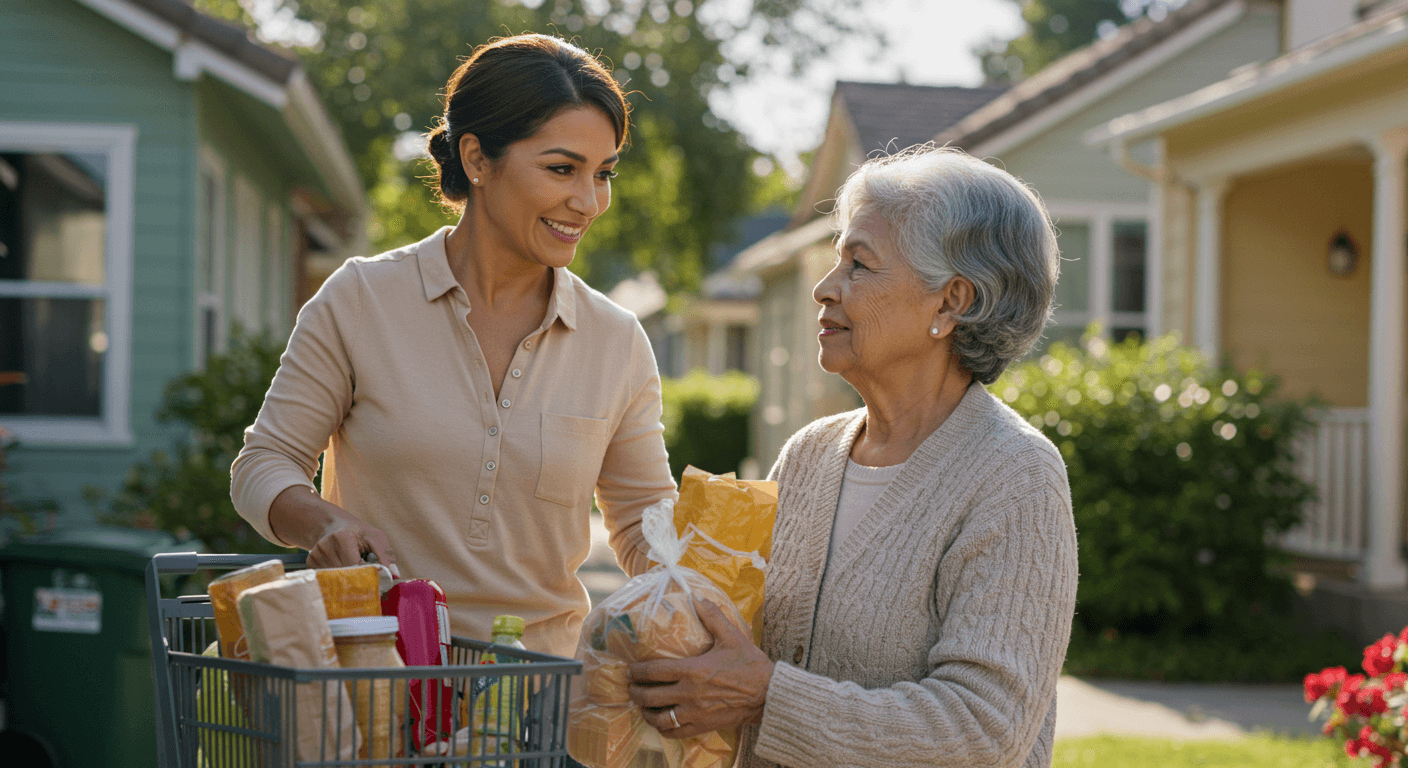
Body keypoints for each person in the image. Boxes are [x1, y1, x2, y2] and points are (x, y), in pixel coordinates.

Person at [624, 145, 1079, 768]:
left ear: (951, 301)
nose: (823, 288)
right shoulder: (809, 456)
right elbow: (739, 664)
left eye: (858, 265)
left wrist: (767, 699)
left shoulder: (1015, 477)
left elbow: (982, 728)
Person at [230, 34, 675, 661]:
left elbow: (643, 522)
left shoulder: (616, 340)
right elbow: (263, 465)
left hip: (535, 708)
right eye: (561, 169)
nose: (588, 201)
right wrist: (323, 521)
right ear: (477, 159)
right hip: (372, 690)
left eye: (602, 174)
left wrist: (703, 585)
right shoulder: (362, 300)